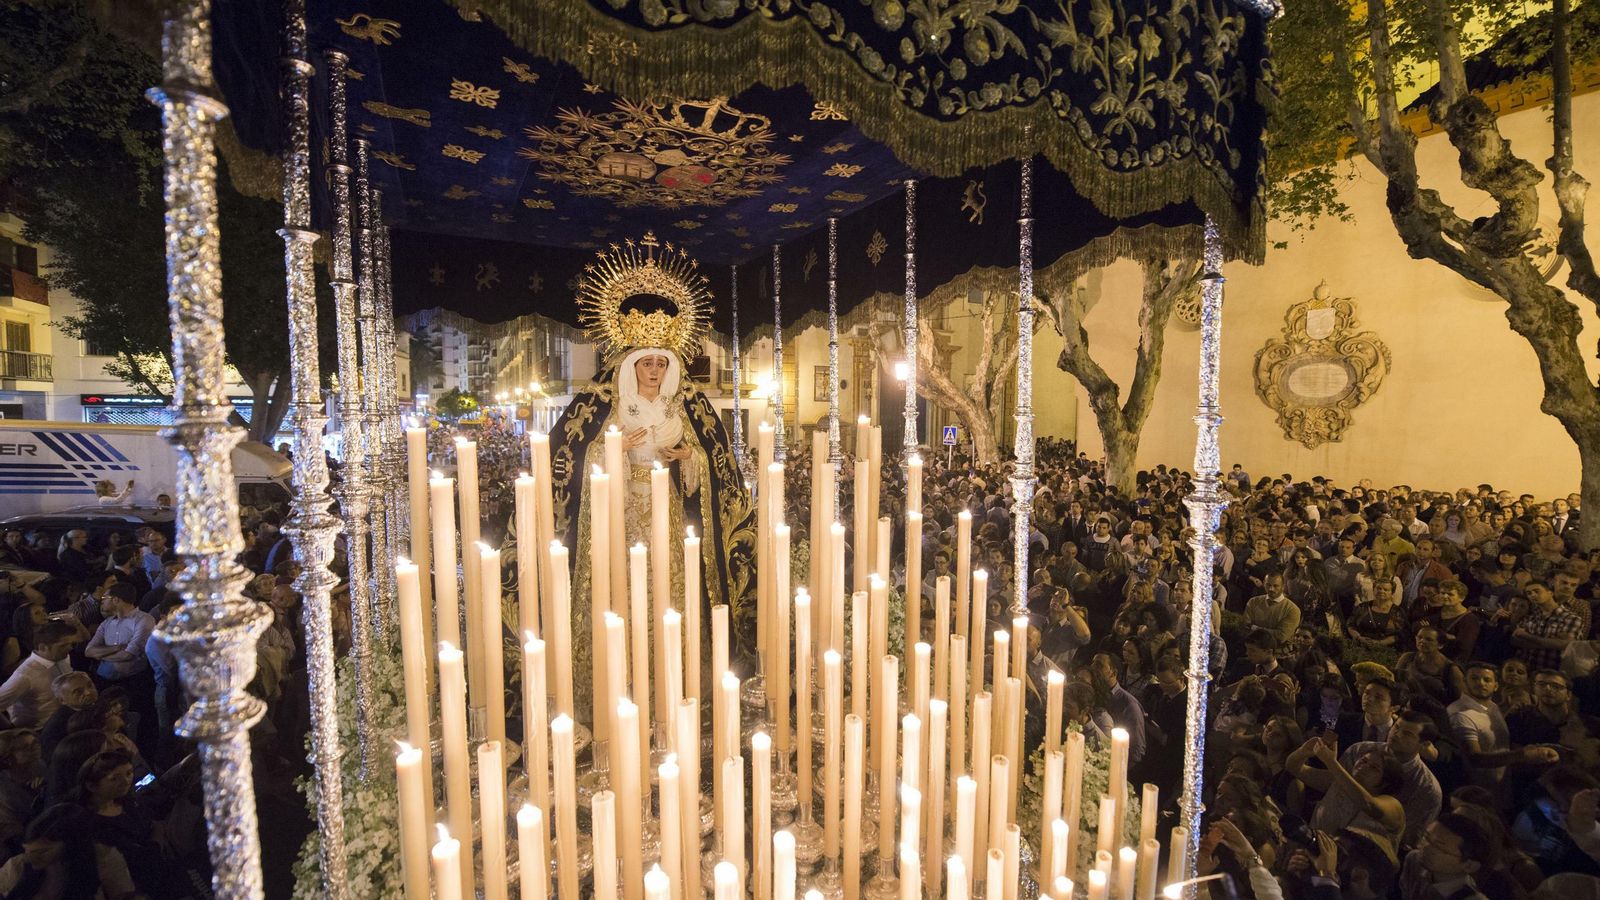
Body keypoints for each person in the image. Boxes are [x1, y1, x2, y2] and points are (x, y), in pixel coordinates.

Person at [543, 263, 755, 718]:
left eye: (661, 363)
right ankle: (616, 684)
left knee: (670, 594)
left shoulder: (684, 407)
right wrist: (616, 448)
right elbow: (577, 457)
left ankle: (670, 685)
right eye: (647, 363)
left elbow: (714, 461)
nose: (655, 370)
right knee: (619, 592)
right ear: (633, 365)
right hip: (621, 515)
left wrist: (689, 460)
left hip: (668, 513)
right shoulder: (609, 405)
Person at [0, 802, 138, 899]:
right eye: (27, 850)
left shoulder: (102, 858)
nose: (30, 858)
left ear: (71, 846)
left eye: (42, 852)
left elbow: (123, 894)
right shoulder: (16, 867)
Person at [1399, 814, 1496, 900]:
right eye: (1426, 837)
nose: (1426, 847)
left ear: (1469, 865)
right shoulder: (1414, 860)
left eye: (1439, 847)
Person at [0, 623, 77, 729]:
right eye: (63, 645)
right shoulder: (25, 675)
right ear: (42, 647)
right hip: (40, 730)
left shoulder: (62, 657)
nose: (70, 648)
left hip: (66, 720)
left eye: (71, 644)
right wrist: (11, 730)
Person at [1245, 574, 1302, 646]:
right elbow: (1245, 627)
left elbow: (1281, 636)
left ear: (1283, 586)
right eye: (1268, 585)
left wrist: (1254, 628)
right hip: (1253, 650)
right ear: (1264, 584)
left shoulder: (1292, 609)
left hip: (1280, 654)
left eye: (1276, 586)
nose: (1271, 589)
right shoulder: (1253, 602)